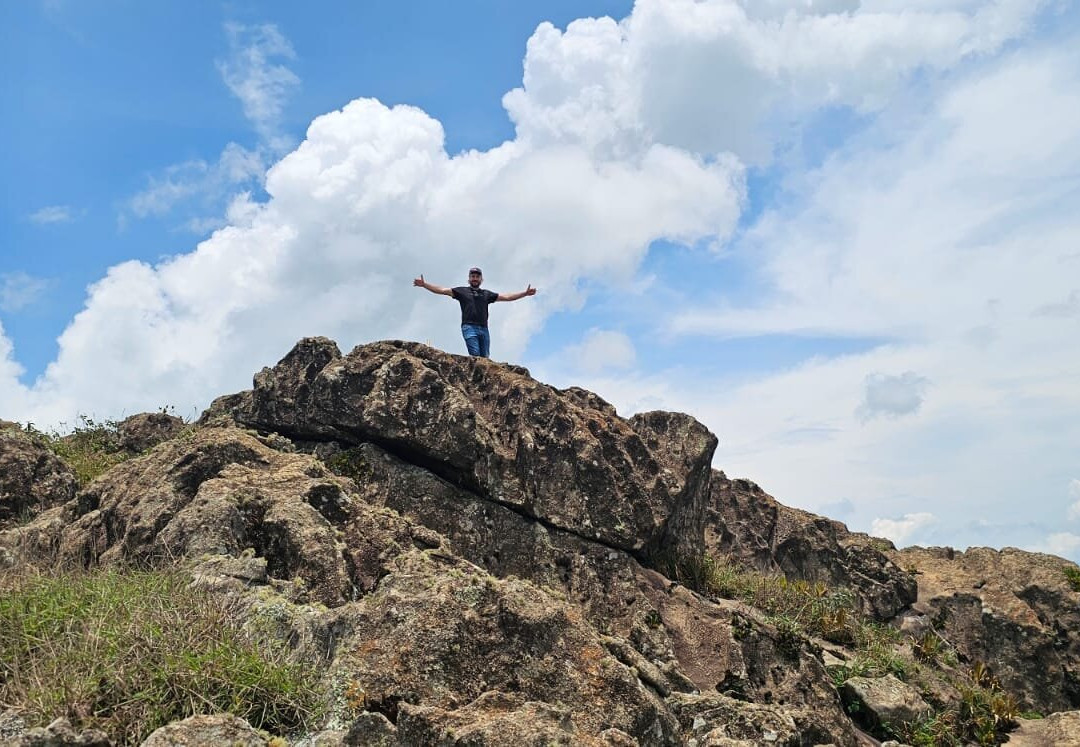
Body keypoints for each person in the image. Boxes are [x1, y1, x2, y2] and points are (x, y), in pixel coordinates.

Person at [413, 267, 537, 357]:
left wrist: (524, 294)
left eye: (477, 277)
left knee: (485, 359)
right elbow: (442, 290)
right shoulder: (462, 291)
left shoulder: (486, 294)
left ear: (481, 279)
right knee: (476, 357)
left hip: (484, 329)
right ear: (469, 279)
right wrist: (425, 285)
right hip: (469, 327)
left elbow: (507, 297)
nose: (475, 278)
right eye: (472, 276)